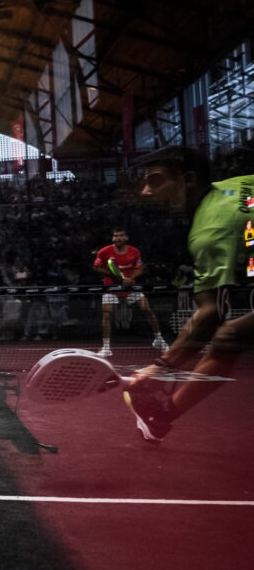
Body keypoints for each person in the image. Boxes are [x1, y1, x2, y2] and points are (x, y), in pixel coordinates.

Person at [124, 146, 253, 442]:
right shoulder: (230, 189)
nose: (145, 192)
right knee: (229, 338)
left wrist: (162, 366)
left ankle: (163, 414)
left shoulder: (211, 229)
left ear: (189, 180)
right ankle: (163, 415)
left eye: (155, 181)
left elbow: (212, 313)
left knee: (226, 337)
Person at [92, 228, 168, 357]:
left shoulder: (134, 251)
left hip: (131, 287)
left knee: (147, 309)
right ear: (112, 238)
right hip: (111, 287)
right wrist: (114, 275)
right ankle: (106, 348)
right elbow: (97, 266)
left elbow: (139, 268)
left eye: (121, 236)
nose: (118, 238)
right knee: (107, 314)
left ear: (126, 238)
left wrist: (130, 278)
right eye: (115, 236)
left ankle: (159, 340)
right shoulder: (104, 252)